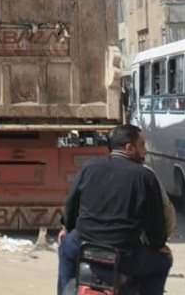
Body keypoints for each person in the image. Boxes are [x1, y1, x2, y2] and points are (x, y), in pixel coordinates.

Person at [57, 124, 172, 295]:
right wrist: (159, 245)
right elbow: (155, 222)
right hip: (126, 256)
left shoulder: (90, 167)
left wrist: (67, 228)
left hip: (84, 247)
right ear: (129, 148)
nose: (145, 151)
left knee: (65, 248)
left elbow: (72, 203)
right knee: (164, 262)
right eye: (142, 145)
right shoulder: (145, 176)